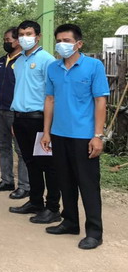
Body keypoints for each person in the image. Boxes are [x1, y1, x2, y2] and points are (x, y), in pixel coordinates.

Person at [42, 24, 109, 250]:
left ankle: (94, 232)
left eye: (67, 40)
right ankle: (70, 222)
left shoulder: (93, 66)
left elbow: (100, 101)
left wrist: (98, 136)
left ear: (78, 44)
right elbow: (49, 100)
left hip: (84, 136)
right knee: (65, 181)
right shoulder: (53, 68)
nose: (62, 44)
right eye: (59, 40)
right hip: (59, 134)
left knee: (88, 185)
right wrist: (47, 132)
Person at [8, 20, 60, 225]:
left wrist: (48, 127)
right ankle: (35, 201)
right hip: (20, 118)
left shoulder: (47, 60)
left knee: (48, 165)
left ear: (38, 37)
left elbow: (52, 95)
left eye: (29, 34)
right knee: (30, 162)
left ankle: (53, 208)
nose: (24, 38)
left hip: (39, 120)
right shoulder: (19, 61)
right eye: (21, 34)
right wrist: (15, 119)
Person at [0, 28, 30, 199]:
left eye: (8, 40)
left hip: (16, 111)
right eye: (4, 39)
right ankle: (7, 180)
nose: (5, 42)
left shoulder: (24, 60)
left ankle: (25, 186)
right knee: (3, 146)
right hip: (0, 109)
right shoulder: (0, 61)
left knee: (20, 149)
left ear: (18, 41)